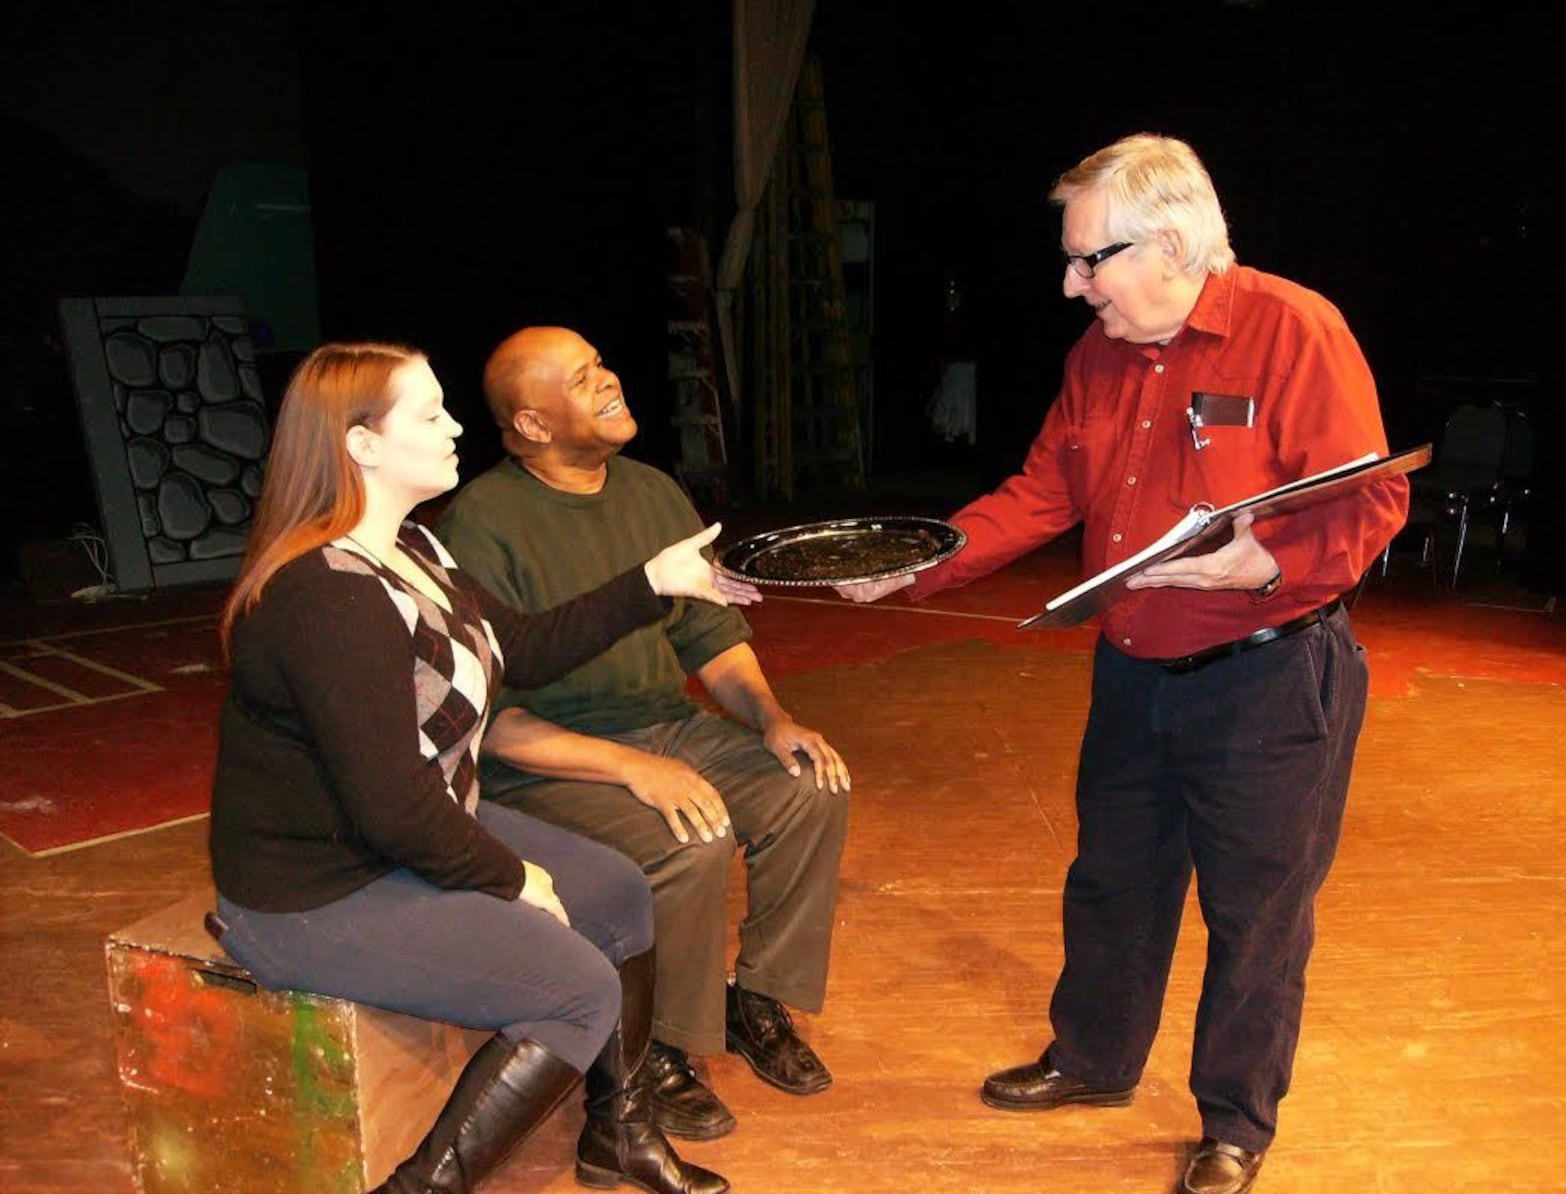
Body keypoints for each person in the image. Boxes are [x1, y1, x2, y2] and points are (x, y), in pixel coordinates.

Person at [837, 134, 1408, 1194]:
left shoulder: (1295, 331)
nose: (1070, 283)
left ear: (1176, 243)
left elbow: (1370, 501)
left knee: (1256, 913)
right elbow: (1042, 490)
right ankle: (1093, 1060)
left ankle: (1234, 1122)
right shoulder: (1100, 352)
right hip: (1134, 671)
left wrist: (1264, 562)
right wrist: (915, 568)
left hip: (1270, 679)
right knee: (1113, 883)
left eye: (1088, 258)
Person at [208, 340, 756, 1194]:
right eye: (430, 414)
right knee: (576, 987)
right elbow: (390, 807)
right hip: (317, 891)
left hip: (400, 833)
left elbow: (524, 650)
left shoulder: (416, 551)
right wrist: (510, 878)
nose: (458, 424)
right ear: (361, 445)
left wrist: (655, 579)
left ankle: (618, 1134)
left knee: (616, 892)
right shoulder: (326, 596)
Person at [435, 326, 849, 1143]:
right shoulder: (481, 522)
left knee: (808, 788)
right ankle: (658, 1043)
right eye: (582, 378)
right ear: (533, 426)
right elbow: (489, 718)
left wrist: (772, 719)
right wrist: (629, 768)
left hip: (667, 725)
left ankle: (754, 999)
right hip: (548, 757)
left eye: (601, 364)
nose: (609, 381)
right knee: (686, 838)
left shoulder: (653, 491)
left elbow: (710, 636)